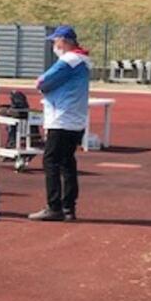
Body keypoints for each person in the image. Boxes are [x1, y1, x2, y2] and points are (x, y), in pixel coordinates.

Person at [28, 25, 91, 222]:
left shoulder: (68, 60)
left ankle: (54, 206)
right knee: (67, 163)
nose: (54, 45)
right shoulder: (83, 61)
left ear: (64, 41)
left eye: (56, 41)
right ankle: (68, 207)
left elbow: (42, 82)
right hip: (76, 120)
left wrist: (42, 85)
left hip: (61, 119)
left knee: (51, 161)